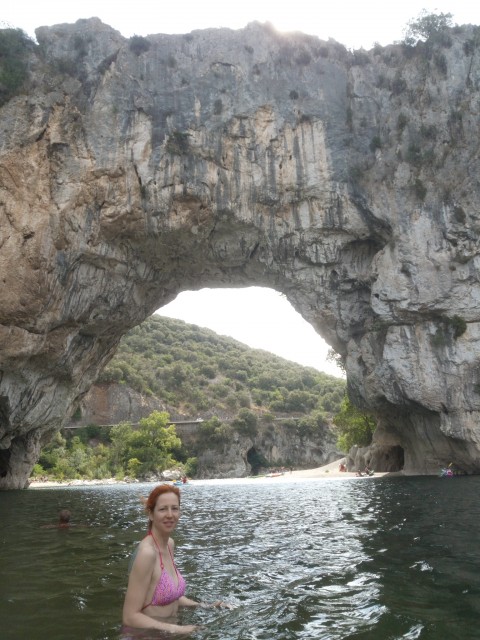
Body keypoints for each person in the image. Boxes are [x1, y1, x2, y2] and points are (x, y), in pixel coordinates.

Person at [122, 484, 227, 636]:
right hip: (144, 635)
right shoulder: (147, 554)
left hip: (167, 633)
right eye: (163, 509)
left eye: (175, 508)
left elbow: (171, 596)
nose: (170, 515)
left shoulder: (169, 544)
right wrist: (178, 629)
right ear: (151, 514)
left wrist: (204, 606)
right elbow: (129, 617)